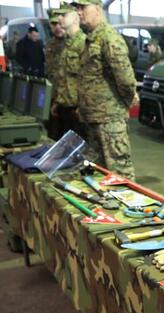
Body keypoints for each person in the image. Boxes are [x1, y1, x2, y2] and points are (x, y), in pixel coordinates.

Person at [73, 0, 137, 180]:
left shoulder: (109, 37)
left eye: (83, 7)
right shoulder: (90, 38)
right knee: (100, 174)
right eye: (77, 8)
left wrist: (122, 104)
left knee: (120, 174)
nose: (79, 12)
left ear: (97, 9)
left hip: (109, 119)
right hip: (94, 117)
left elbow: (125, 79)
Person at [49, 2, 86, 140]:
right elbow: (62, 77)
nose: (59, 19)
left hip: (77, 108)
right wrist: (57, 101)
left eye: (64, 15)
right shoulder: (65, 44)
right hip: (64, 105)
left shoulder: (84, 43)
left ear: (76, 18)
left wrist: (83, 106)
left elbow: (89, 79)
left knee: (78, 148)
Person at [44, 12, 66, 140]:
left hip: (69, 98)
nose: (57, 27)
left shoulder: (73, 44)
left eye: (59, 23)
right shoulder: (49, 45)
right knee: (52, 132)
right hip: (53, 96)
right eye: (53, 24)